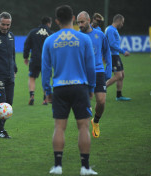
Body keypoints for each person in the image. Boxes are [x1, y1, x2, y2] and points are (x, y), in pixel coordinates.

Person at [42, 5, 97, 175]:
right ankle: (85, 168)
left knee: (59, 127)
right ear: (73, 18)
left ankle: (58, 166)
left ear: (57, 21)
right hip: (80, 86)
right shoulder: (84, 39)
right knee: (83, 127)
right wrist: (92, 87)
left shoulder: (50, 40)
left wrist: (47, 90)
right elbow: (91, 67)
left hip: (59, 87)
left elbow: (45, 69)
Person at [77, 11, 112, 138]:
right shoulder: (77, 37)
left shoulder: (99, 35)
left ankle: (95, 121)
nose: (80, 25)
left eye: (82, 22)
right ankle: (84, 128)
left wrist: (108, 69)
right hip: (83, 73)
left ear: (89, 20)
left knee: (101, 102)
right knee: (86, 102)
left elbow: (107, 51)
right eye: (78, 23)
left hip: (98, 71)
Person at [23, 16, 53, 105]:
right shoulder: (51, 33)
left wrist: (25, 57)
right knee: (46, 79)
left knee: (32, 78)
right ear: (48, 23)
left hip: (34, 59)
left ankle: (32, 95)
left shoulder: (33, 32)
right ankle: (45, 99)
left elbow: (26, 45)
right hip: (46, 60)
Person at [105, 14, 131, 101]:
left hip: (115, 55)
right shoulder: (110, 30)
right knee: (118, 75)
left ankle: (119, 96)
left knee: (122, 75)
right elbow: (112, 44)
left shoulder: (113, 29)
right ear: (118, 21)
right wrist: (123, 51)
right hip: (112, 55)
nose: (122, 24)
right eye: (122, 22)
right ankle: (101, 88)